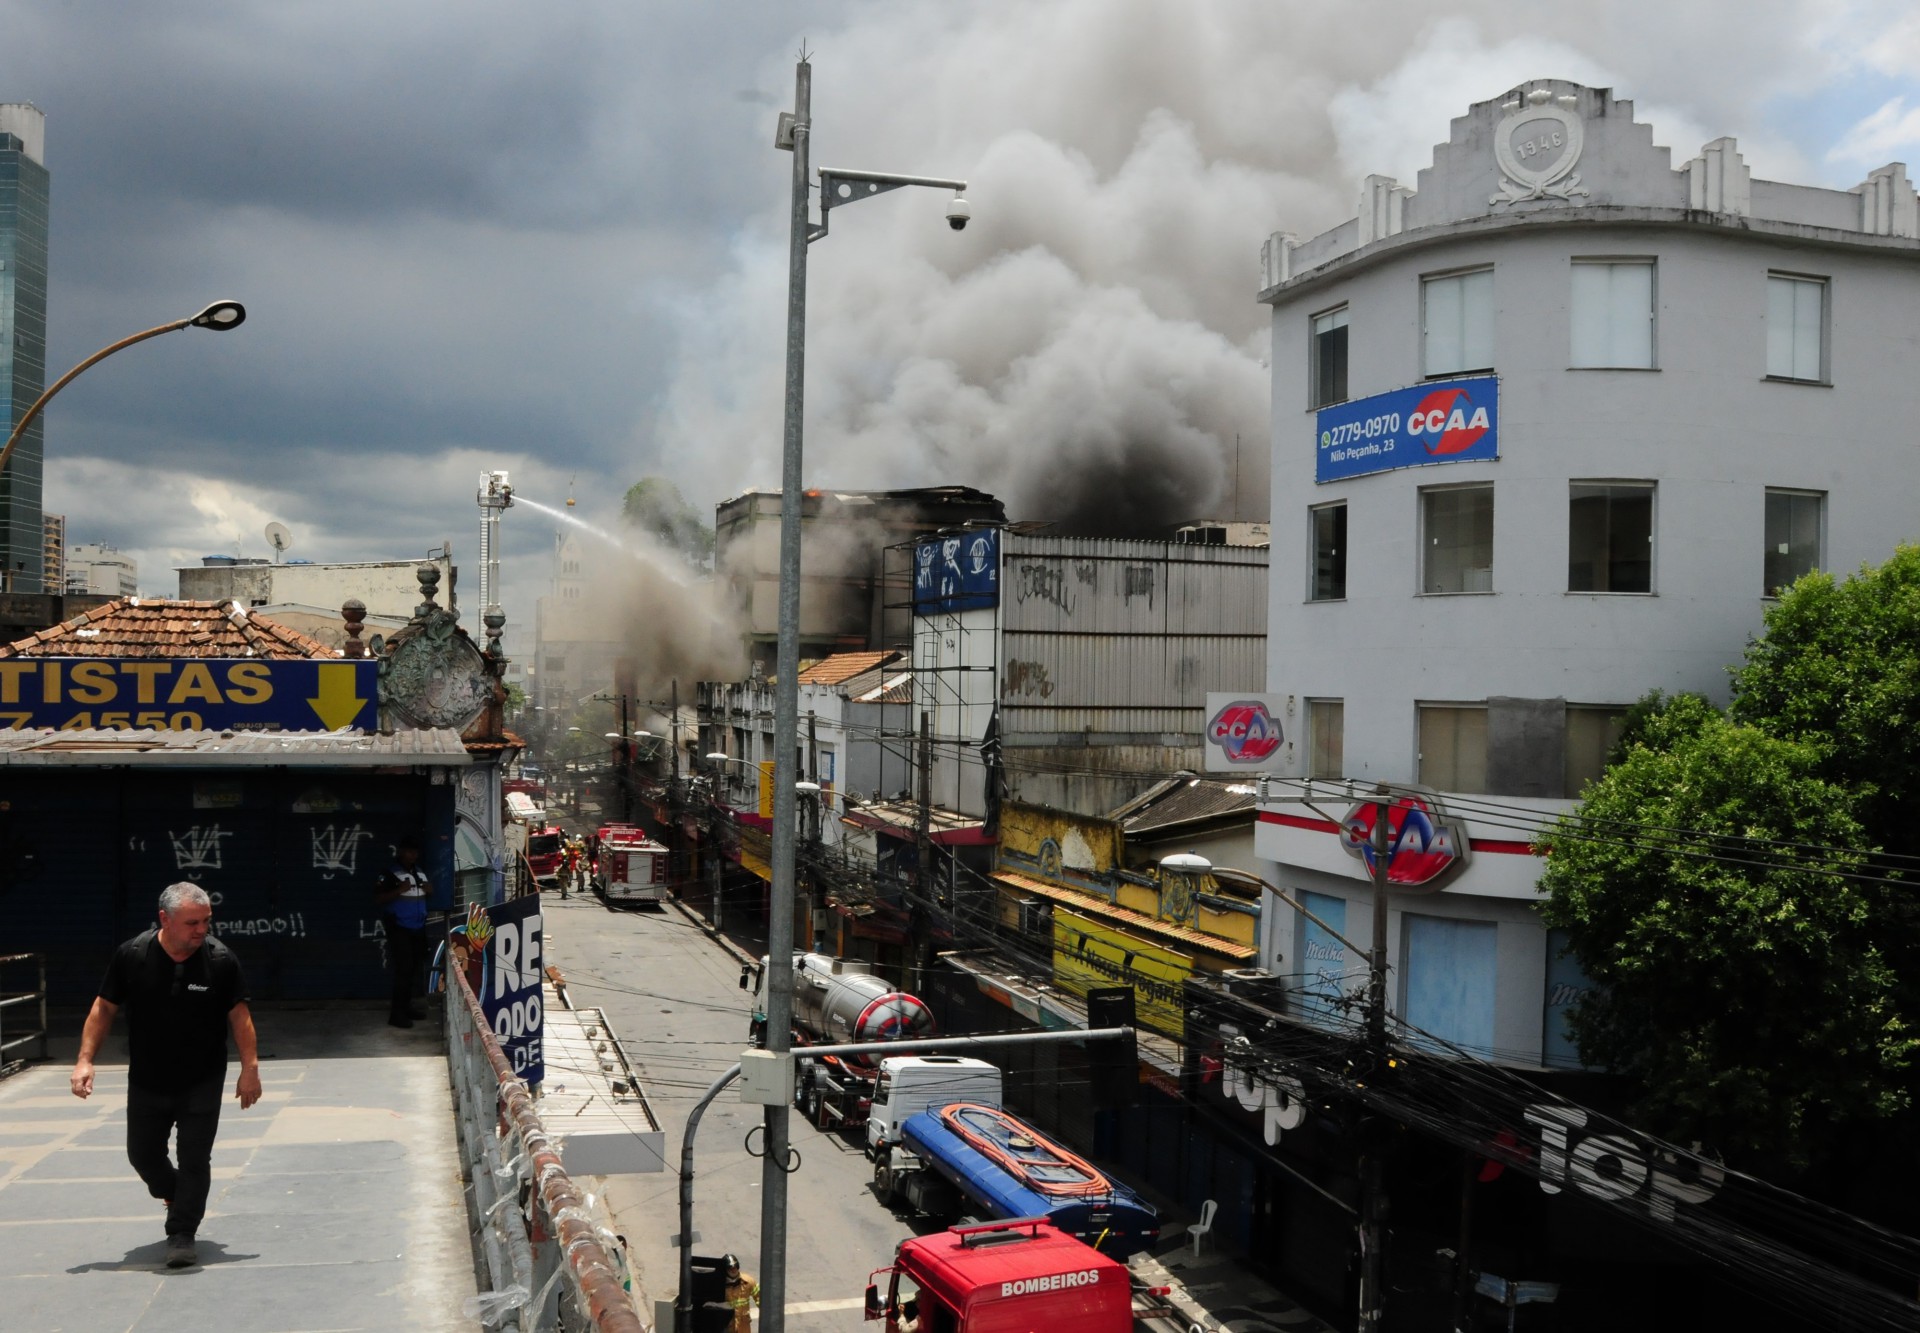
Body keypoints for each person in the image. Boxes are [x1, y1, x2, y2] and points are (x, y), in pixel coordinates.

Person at [70, 882, 260, 1270]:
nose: (201, 930)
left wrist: (250, 1069)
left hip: (202, 1078)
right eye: (192, 922)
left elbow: (239, 1017)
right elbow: (103, 1008)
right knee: (142, 1155)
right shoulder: (133, 955)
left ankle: (182, 1232)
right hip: (147, 1078)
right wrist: (85, 1060)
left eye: (206, 921)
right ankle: (176, 1193)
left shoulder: (220, 960)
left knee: (194, 1157)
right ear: (164, 919)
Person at [373, 836, 430, 1028]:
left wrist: (429, 889)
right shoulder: (391, 874)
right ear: (401, 852)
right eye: (409, 851)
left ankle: (407, 1008)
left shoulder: (419, 872)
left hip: (417, 928)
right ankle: (396, 1015)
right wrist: (399, 890)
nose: (413, 855)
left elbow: (426, 892)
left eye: (415, 852)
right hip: (400, 928)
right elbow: (379, 898)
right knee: (403, 971)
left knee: (413, 970)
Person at [718, 1253, 760, 1333]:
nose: (734, 1270)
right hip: (726, 1328)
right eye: (730, 1268)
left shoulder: (748, 1281)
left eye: (736, 1266)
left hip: (743, 1328)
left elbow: (760, 1298)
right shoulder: (718, 1285)